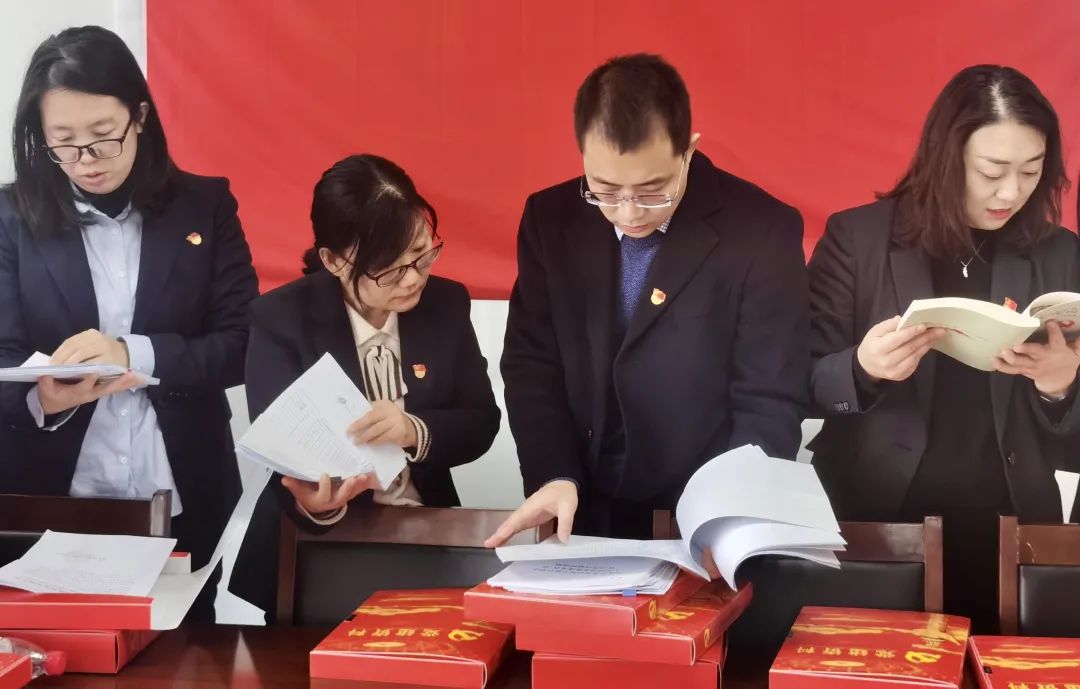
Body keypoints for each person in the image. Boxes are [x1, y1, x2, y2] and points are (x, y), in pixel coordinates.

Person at [486, 53, 809, 547]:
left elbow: (769, 395)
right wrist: (553, 473)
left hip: (703, 507)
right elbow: (533, 362)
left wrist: (730, 515)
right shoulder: (550, 219)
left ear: (688, 150)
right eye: (605, 190)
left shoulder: (761, 230)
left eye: (653, 190)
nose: (629, 213)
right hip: (580, 500)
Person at [808, 64, 1080, 632]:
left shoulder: (1059, 253)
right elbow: (799, 378)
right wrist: (862, 367)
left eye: (1031, 171)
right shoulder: (858, 239)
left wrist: (1061, 385)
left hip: (1010, 531)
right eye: (992, 171)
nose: (1012, 191)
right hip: (875, 524)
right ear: (945, 157)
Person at [0, 26, 259, 619]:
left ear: (139, 116)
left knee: (189, 652)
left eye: (103, 136)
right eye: (64, 143)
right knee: (62, 650)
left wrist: (131, 353)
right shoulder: (10, 217)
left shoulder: (205, 206)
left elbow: (242, 343)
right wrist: (43, 396)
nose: (86, 161)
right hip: (52, 496)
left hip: (182, 489)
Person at [231, 154, 500, 616]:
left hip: (425, 536)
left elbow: (480, 422)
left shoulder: (446, 303)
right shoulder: (282, 320)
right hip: (316, 550)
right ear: (334, 260)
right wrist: (320, 505)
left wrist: (413, 430)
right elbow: (281, 450)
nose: (413, 278)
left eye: (422, 253)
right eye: (390, 269)